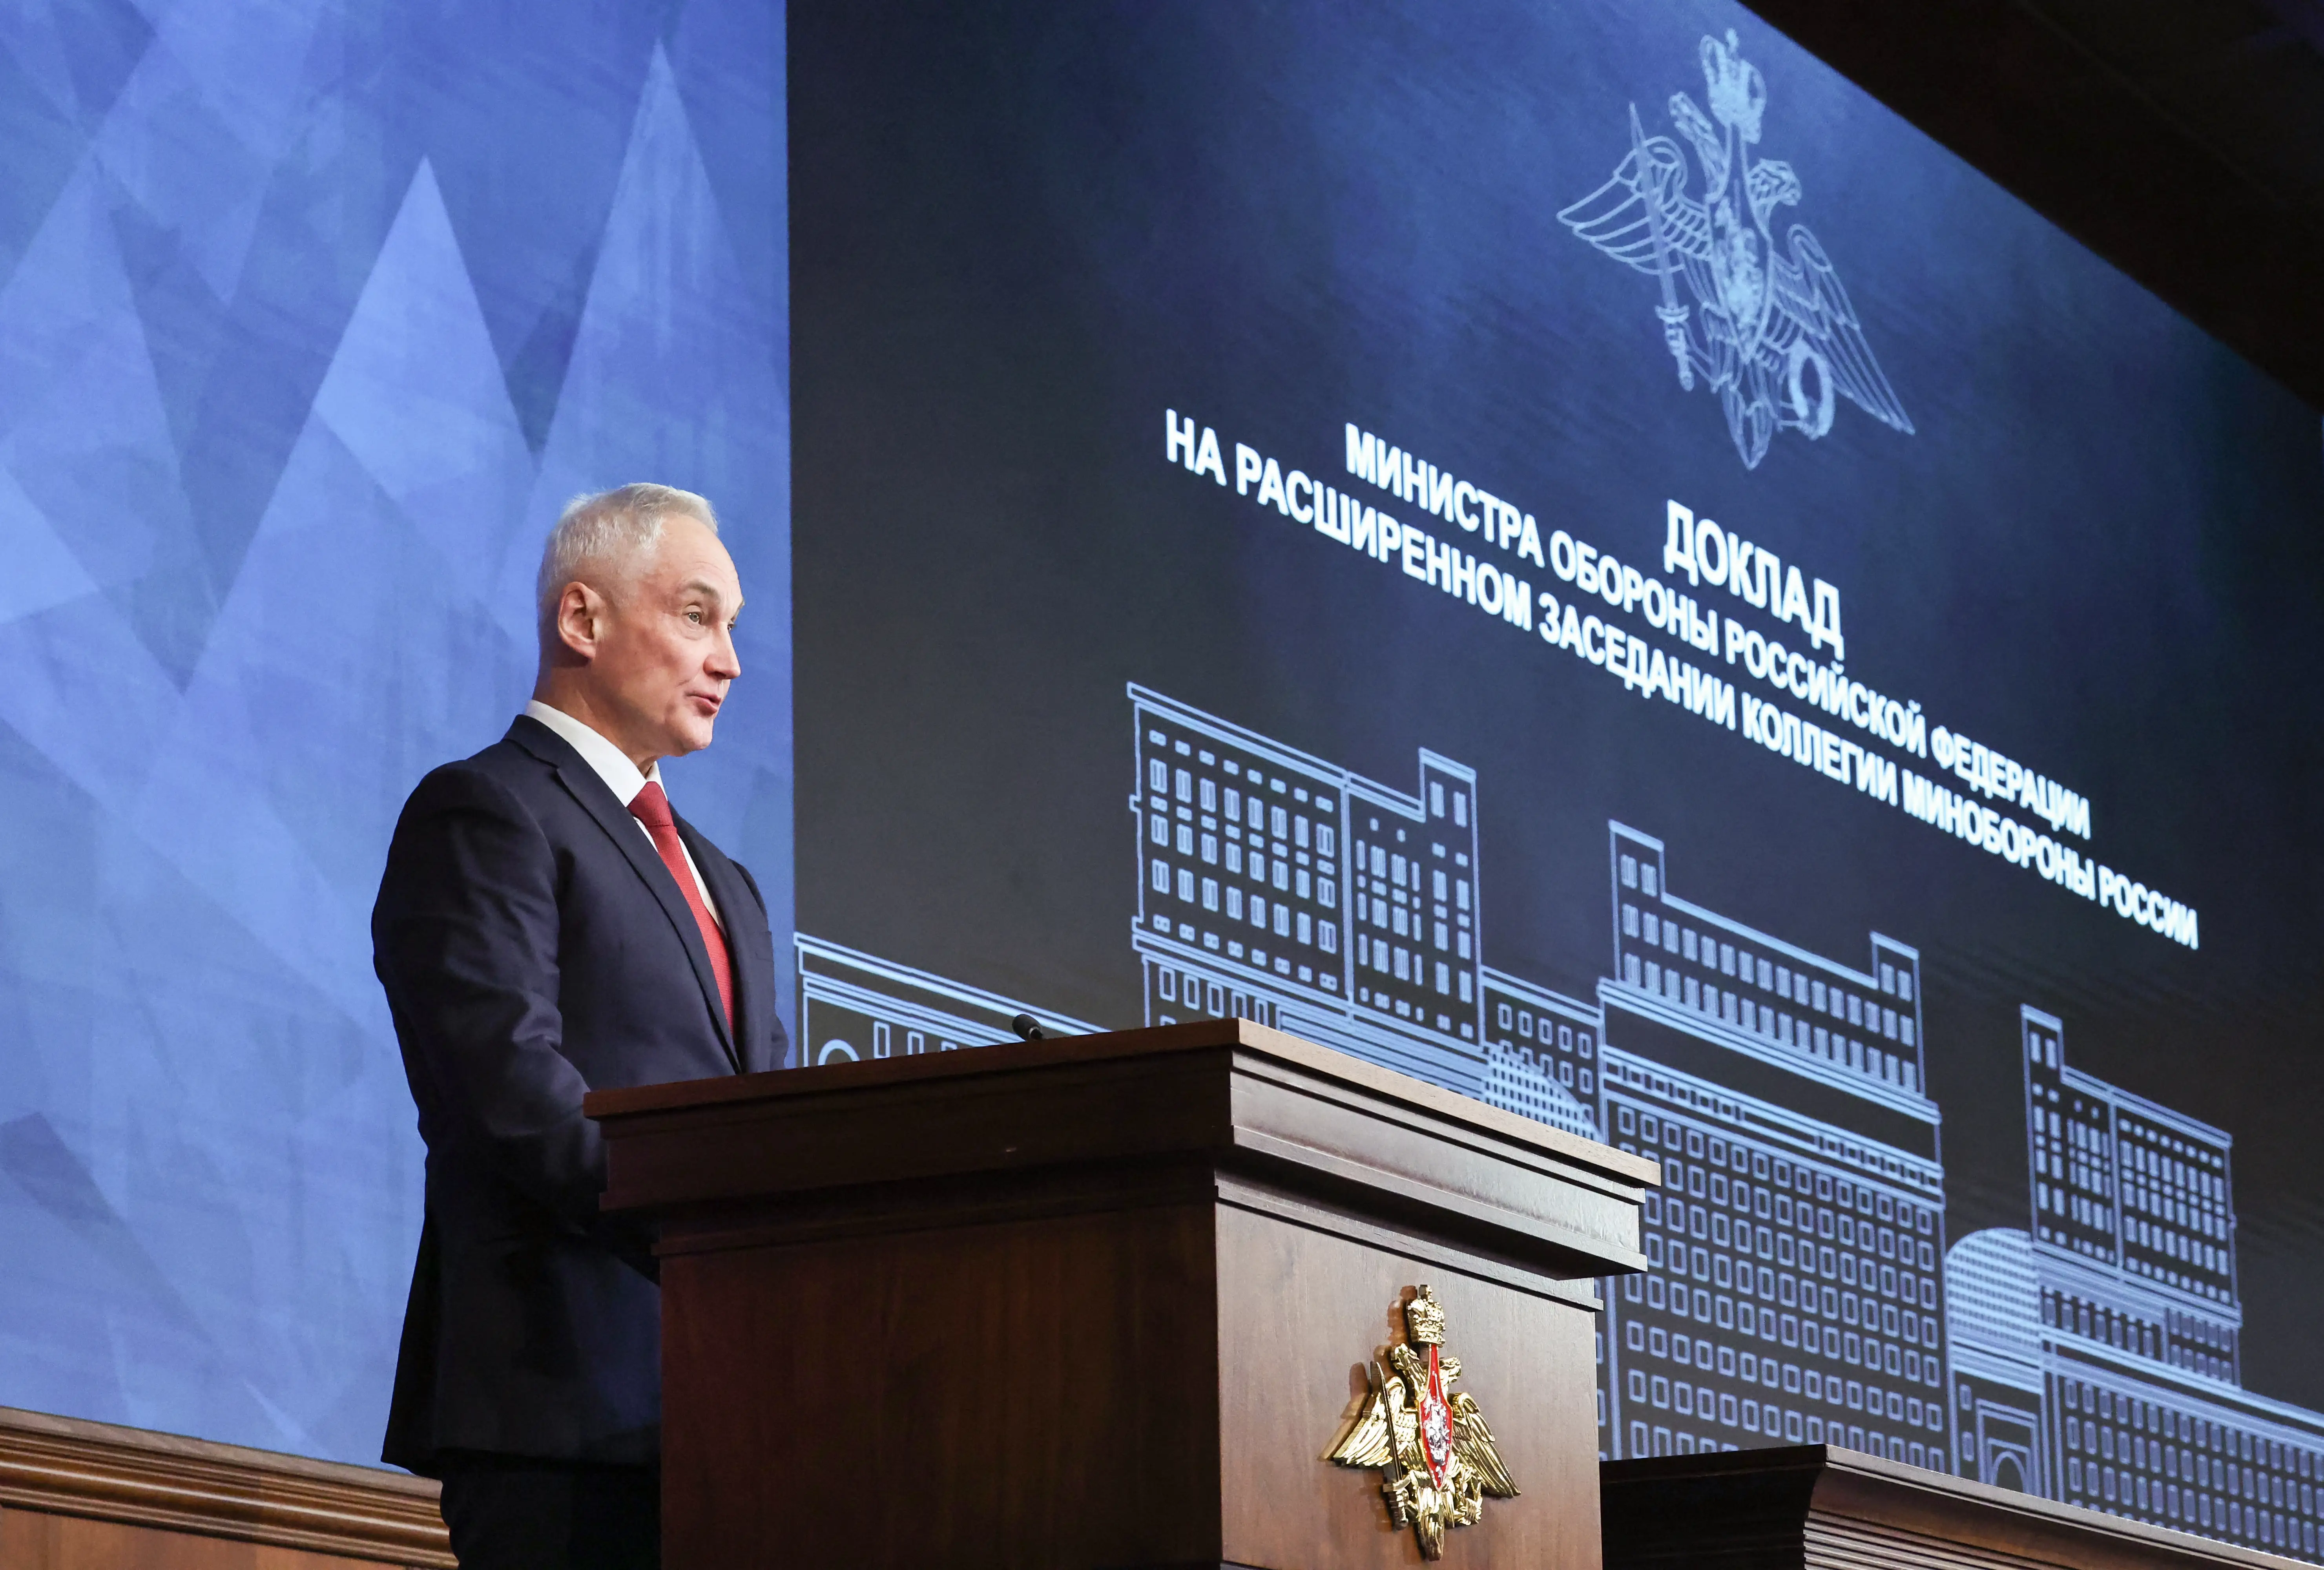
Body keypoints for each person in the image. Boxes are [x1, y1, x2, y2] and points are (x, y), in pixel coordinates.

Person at [372, 484, 790, 1568]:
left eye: (733, 627)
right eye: (699, 616)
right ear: (582, 620)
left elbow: (775, 1125)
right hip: (560, 1414)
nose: (730, 660)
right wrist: (714, 1250)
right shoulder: (487, 811)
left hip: (742, 1425)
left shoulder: (730, 884)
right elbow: (511, 1090)